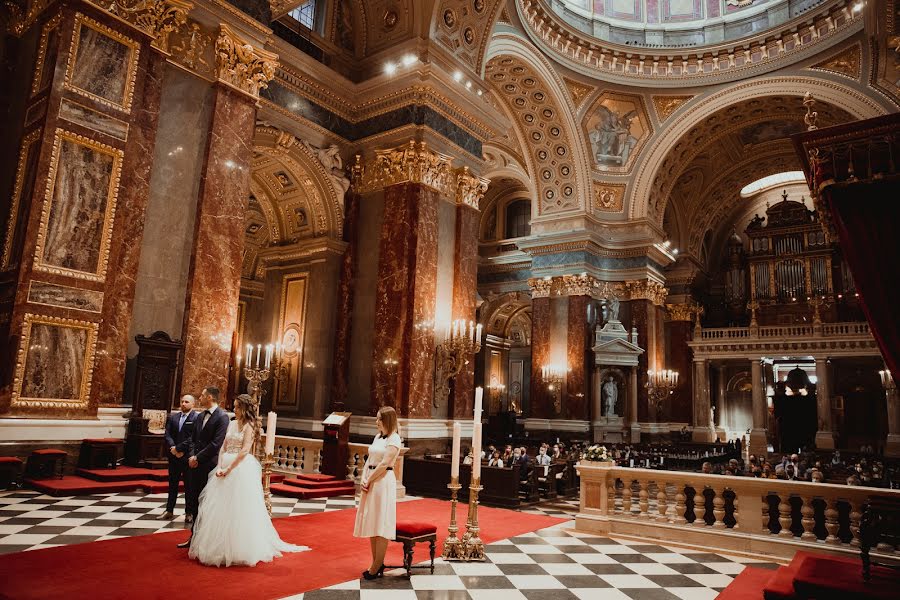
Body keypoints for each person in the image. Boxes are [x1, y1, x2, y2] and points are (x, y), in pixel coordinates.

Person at [188, 394, 308, 566]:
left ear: (244, 408)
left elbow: (245, 450)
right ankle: (218, 547)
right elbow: (223, 446)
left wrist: (229, 469)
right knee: (220, 507)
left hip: (239, 468)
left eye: (237, 407)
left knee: (238, 508)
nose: (234, 409)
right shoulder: (231, 423)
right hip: (224, 464)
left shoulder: (249, 426)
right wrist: (221, 466)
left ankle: (238, 548)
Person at [354, 406, 402, 580]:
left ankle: (377, 564)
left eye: (378, 419)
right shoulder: (377, 437)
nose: (376, 422)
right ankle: (376, 562)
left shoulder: (394, 439)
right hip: (372, 480)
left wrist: (371, 479)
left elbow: (385, 464)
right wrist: (363, 478)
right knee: (373, 520)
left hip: (382, 482)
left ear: (386, 420)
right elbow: (371, 460)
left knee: (381, 523)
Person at [177, 386, 229, 548]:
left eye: (203, 395)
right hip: (194, 463)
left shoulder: (222, 417)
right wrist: (192, 456)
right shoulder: (200, 416)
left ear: (211, 398)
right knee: (193, 500)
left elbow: (216, 443)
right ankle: (194, 537)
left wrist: (198, 457)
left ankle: (206, 540)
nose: (200, 397)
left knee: (206, 502)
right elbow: (193, 439)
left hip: (209, 464)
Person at [159, 394, 196, 520]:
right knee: (172, 484)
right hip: (174, 456)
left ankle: (189, 512)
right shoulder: (174, 417)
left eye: (186, 402)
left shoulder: (196, 418)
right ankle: (169, 510)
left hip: (187, 456)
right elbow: (167, 434)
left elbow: (193, 438)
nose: (183, 404)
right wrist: (173, 448)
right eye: (182, 401)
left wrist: (179, 449)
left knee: (189, 486)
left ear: (193, 404)